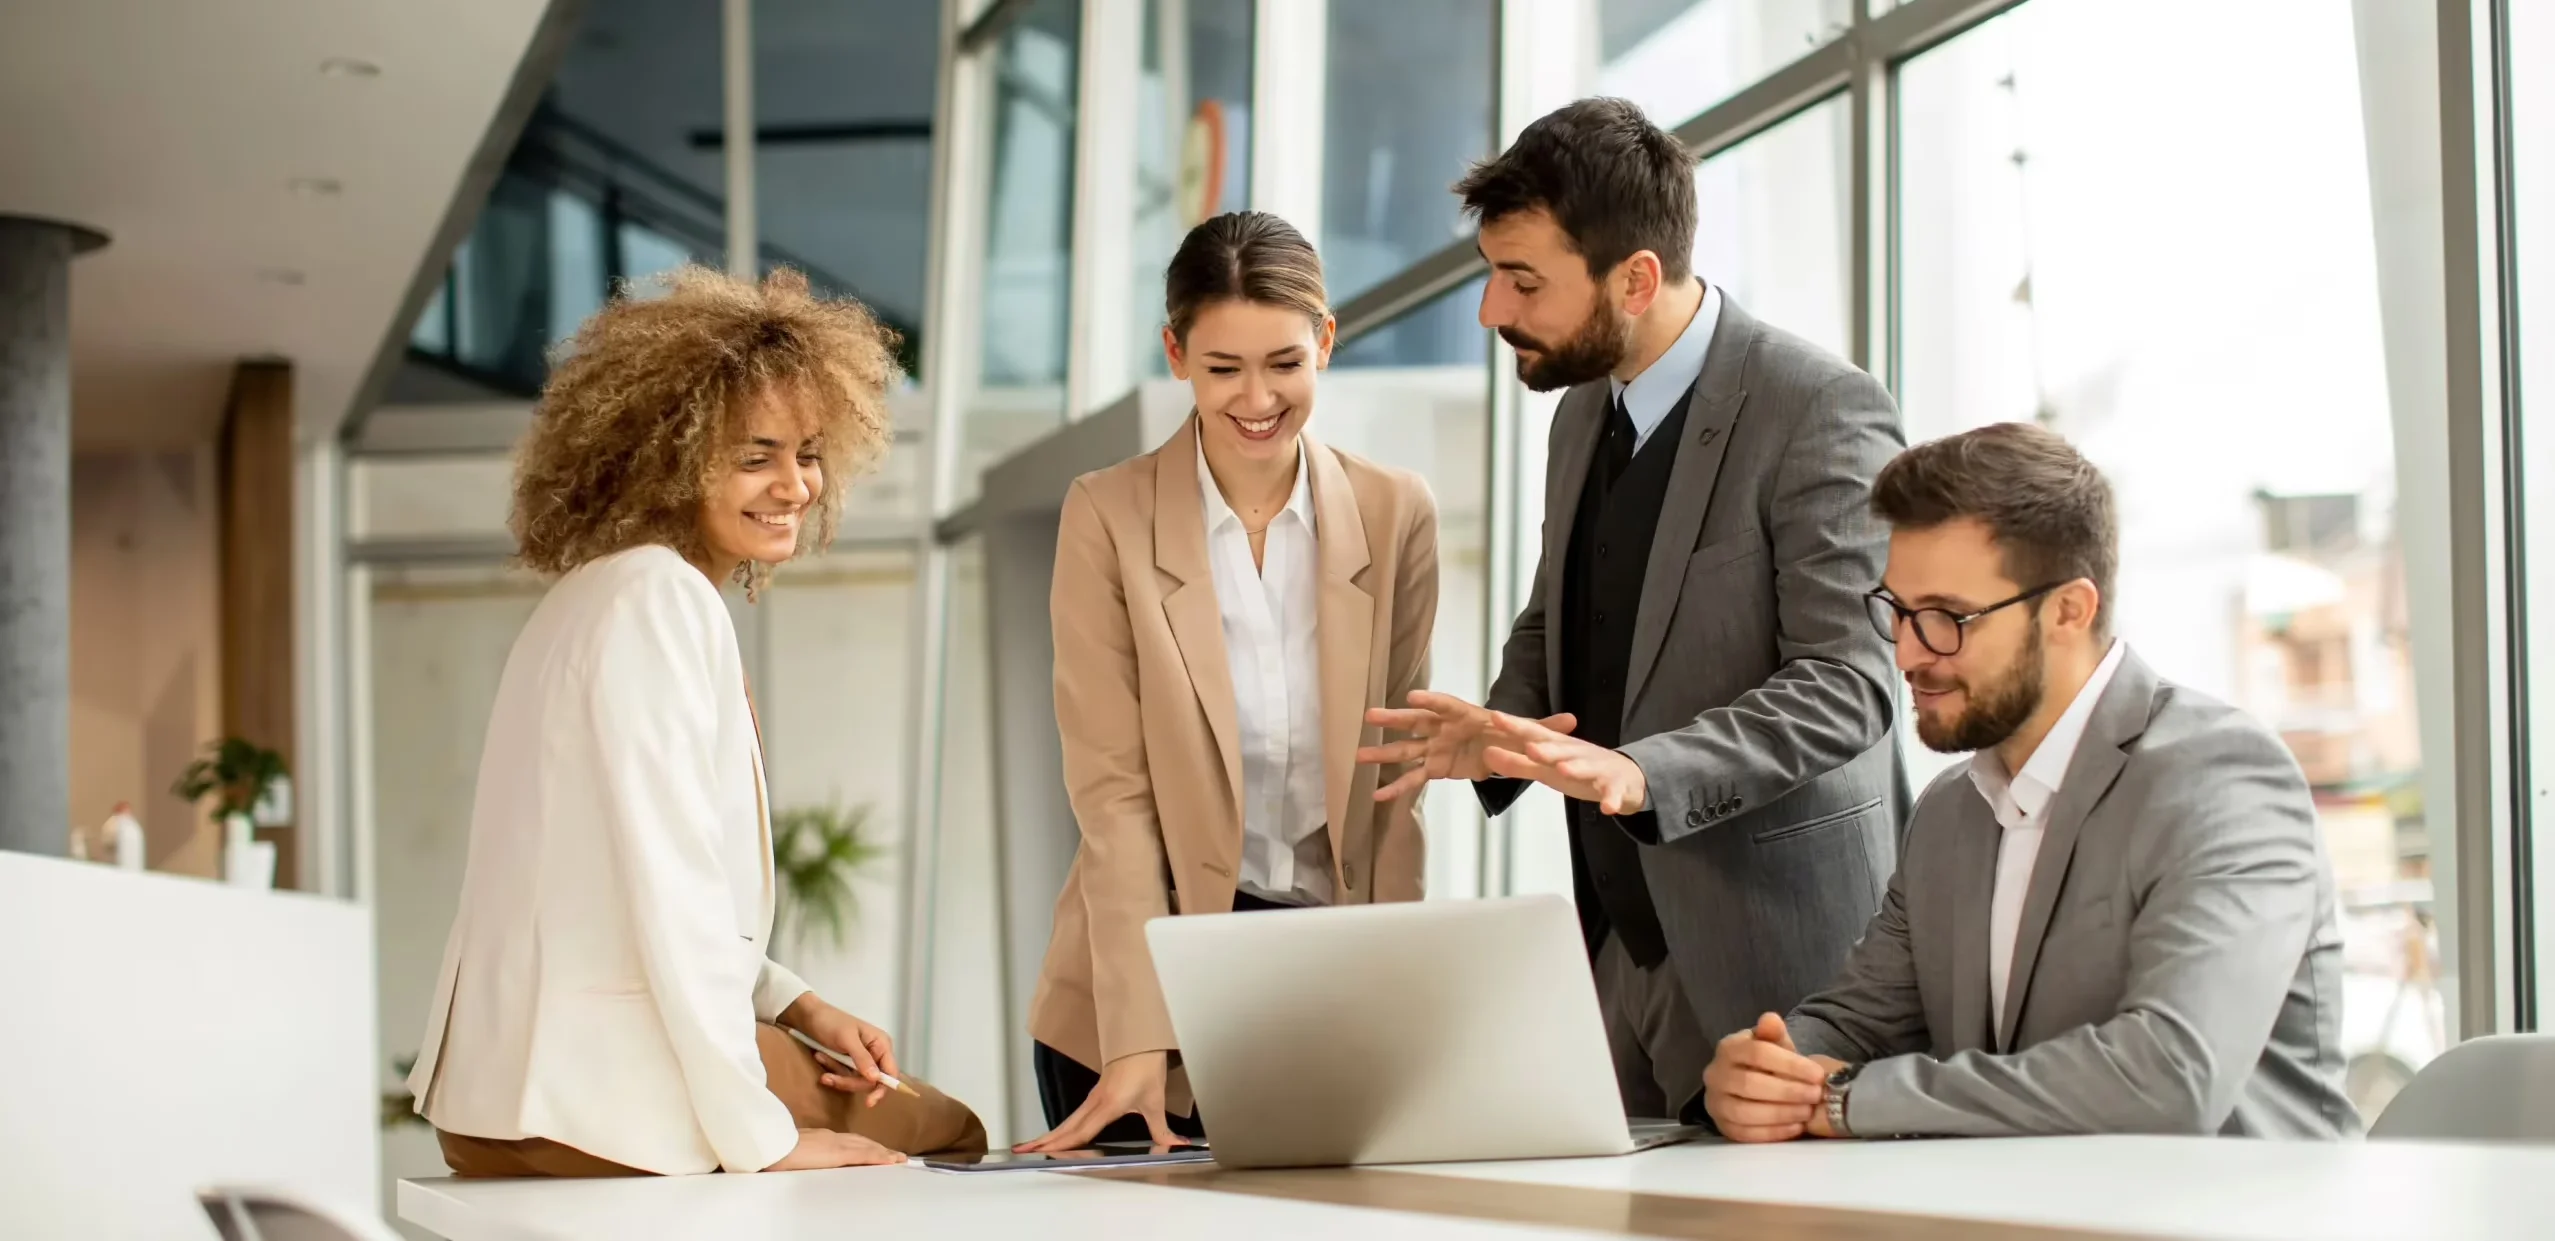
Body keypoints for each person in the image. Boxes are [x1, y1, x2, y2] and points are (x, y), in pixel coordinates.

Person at [1359, 97, 1905, 1122]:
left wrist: (1641, 770)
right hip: (1616, 946)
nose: (1490, 311)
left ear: (1636, 277)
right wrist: (1499, 725)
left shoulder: (1815, 407)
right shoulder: (1579, 412)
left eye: (1522, 281)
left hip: (1782, 966)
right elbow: (1558, 607)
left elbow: (1850, 682)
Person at [407, 266, 987, 1177]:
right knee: (949, 1128)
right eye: (755, 456)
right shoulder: (659, 600)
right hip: (595, 1102)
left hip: (495, 1100)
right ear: (666, 456)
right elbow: (671, 890)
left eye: (807, 452)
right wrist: (765, 1140)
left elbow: (615, 881)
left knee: (895, 1104)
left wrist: (797, 1006)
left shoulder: (589, 597)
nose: (793, 485)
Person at [1700, 423, 2359, 1141]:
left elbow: (2169, 1076)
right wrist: (1766, 1068)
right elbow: (1855, 1017)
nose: (1909, 653)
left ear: (2068, 610)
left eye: (1948, 617)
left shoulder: (2222, 779)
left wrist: (1845, 1100)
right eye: (1897, 611)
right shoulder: (1950, 811)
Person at [1020, 211, 1439, 1151]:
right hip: (1140, 991)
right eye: (1223, 369)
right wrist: (1138, 1036)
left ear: (1325, 341)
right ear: (1175, 354)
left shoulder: (1394, 510)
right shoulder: (1107, 516)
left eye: (1284, 363)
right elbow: (1113, 797)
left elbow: (1394, 781)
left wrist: (1401, 1005)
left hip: (1323, 979)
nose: (1258, 398)